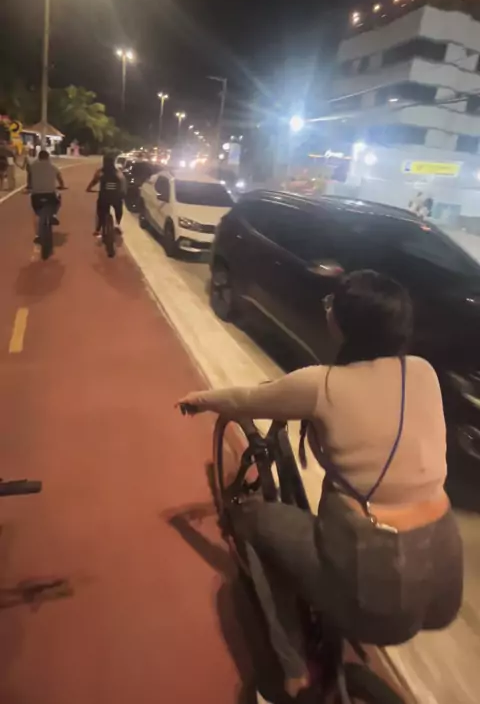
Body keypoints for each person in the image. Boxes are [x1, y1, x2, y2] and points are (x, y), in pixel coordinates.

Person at [178, 270, 463, 700]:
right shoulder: (423, 372)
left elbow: (244, 401)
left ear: (344, 325)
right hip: (443, 578)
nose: (327, 307)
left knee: (250, 519)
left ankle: (290, 669)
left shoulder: (323, 384)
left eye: (333, 303)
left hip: (374, 572)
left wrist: (199, 400)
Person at [28, 149, 66, 243]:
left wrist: (29, 186)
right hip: (50, 195)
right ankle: (54, 214)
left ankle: (37, 235)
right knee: (58, 198)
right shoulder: (53, 166)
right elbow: (60, 179)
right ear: (48, 157)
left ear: (39, 157)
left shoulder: (32, 166)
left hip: (36, 195)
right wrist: (62, 186)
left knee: (36, 214)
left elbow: (29, 179)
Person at [86, 153, 126, 236]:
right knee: (119, 210)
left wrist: (88, 188)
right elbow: (123, 182)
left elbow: (94, 181)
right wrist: (123, 192)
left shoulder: (100, 172)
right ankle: (117, 224)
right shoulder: (118, 172)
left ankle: (98, 229)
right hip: (116, 197)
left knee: (100, 212)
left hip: (104, 197)